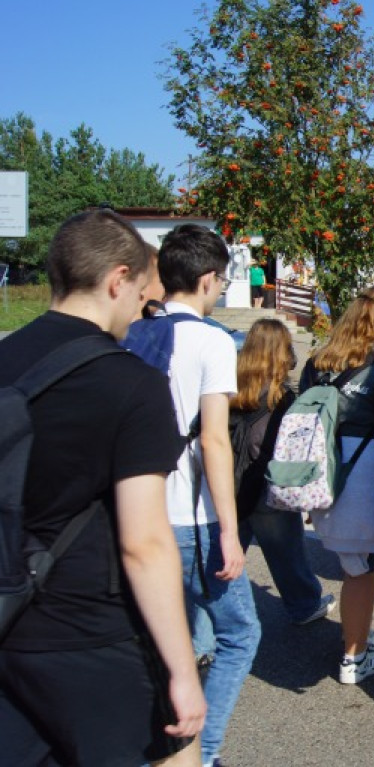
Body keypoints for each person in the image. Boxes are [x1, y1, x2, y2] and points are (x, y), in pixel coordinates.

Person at [0, 209, 205, 765]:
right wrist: (182, 669)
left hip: (10, 619)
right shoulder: (132, 382)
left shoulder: (5, 362)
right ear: (118, 280)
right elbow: (144, 543)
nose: (144, 305)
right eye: (142, 290)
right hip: (94, 631)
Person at [156, 224, 261, 767]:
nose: (222, 288)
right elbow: (214, 439)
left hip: (142, 512)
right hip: (190, 515)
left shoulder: (135, 332)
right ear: (204, 280)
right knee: (241, 633)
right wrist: (228, 528)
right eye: (221, 279)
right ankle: (205, 750)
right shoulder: (213, 339)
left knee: (158, 639)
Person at [301, 287, 374, 684]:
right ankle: (354, 655)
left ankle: (358, 636)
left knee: (354, 564)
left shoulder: (320, 362)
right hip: (367, 472)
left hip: (321, 471)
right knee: (361, 570)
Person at [230, 319, 334, 626]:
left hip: (229, 487)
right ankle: (304, 605)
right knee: (287, 554)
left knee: (224, 556)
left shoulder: (227, 390)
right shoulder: (282, 398)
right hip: (265, 489)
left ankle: (208, 620)